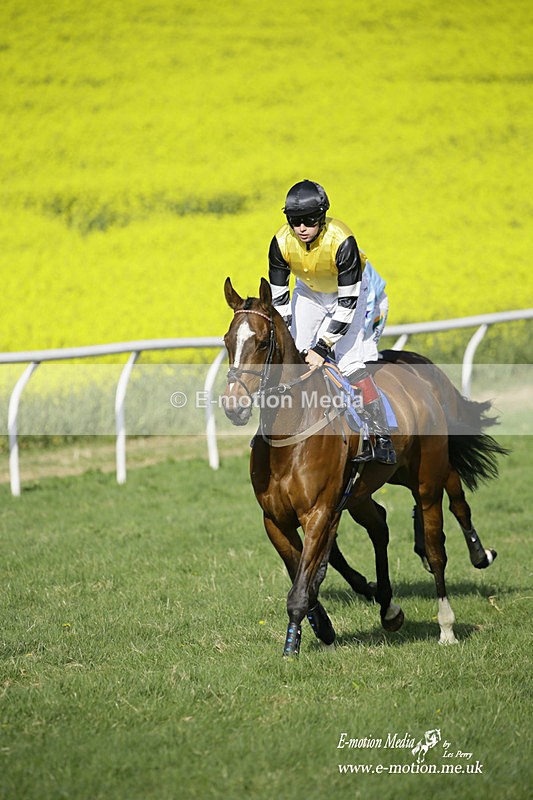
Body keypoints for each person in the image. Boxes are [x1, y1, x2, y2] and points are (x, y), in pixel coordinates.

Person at [268, 179, 396, 464]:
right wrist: (290, 337)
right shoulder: (280, 242)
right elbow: (279, 301)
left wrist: (324, 348)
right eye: (294, 221)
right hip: (309, 293)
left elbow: (347, 305)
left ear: (322, 217)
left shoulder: (342, 240)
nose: (301, 228)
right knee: (293, 358)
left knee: (348, 363)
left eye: (309, 221)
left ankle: (381, 437)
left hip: (350, 295)